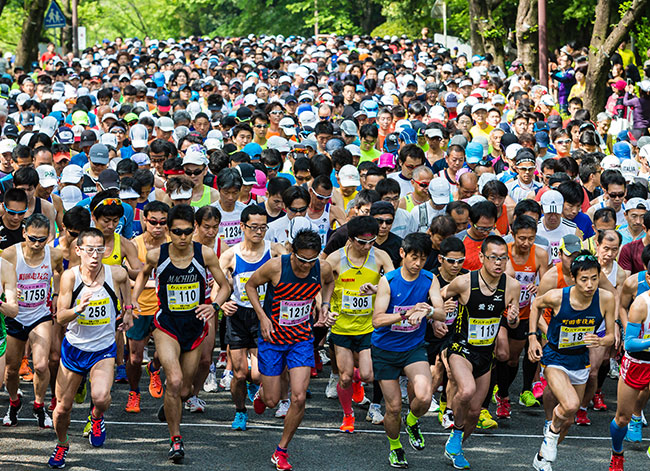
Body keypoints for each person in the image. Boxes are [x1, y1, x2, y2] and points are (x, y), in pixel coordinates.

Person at [131, 204, 230, 463]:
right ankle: (176, 440)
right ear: (168, 231)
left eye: (187, 232)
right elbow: (141, 276)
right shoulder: (157, 255)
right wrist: (133, 302)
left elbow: (225, 285)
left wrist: (214, 306)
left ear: (194, 230)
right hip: (167, 326)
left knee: (184, 390)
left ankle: (170, 404)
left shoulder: (204, 254)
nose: (183, 237)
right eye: (177, 232)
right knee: (173, 381)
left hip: (194, 327)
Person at [245, 228, 335, 471]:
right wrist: (263, 317)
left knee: (299, 396)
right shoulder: (276, 267)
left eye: (311, 260)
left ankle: (281, 450)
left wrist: (324, 305)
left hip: (301, 339)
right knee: (273, 401)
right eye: (302, 259)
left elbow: (330, 281)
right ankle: (262, 393)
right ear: (293, 252)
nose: (307, 266)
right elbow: (251, 286)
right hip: (272, 338)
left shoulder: (321, 267)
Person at [49, 228, 133, 469]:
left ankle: (96, 417)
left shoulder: (116, 273)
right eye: (89, 250)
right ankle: (62, 444)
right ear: (78, 250)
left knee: (101, 398)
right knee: (62, 408)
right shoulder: (70, 277)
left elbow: (127, 290)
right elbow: (61, 317)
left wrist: (128, 311)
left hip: (103, 349)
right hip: (74, 349)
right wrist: (78, 309)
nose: (95, 255)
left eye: (100, 249)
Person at [528, 251, 615, 471]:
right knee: (570, 404)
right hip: (555, 357)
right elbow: (535, 304)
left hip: (580, 360)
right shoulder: (558, 297)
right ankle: (549, 432)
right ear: (574, 278)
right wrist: (532, 338)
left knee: (567, 420)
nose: (590, 284)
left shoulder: (606, 298)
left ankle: (541, 458)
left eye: (594, 278)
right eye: (584, 279)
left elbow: (612, 336)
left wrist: (600, 339)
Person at [443, 235, 521, 469]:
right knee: (466, 391)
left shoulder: (512, 286)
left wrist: (514, 320)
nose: (498, 263)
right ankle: (453, 428)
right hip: (460, 348)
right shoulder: (465, 282)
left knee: (475, 413)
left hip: (486, 354)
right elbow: (439, 294)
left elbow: (513, 321)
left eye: (503, 258)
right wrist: (443, 310)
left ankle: (454, 446)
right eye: (493, 258)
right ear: (482, 257)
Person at [371, 232, 444, 468]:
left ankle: (412, 421)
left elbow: (441, 312)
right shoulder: (388, 280)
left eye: (423, 259)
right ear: (402, 253)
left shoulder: (429, 278)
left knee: (424, 396)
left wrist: (429, 311)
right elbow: (377, 320)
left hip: (413, 347)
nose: (417, 264)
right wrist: (406, 313)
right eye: (414, 257)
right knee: (392, 407)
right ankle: (395, 447)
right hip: (385, 349)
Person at [324, 216, 394, 433]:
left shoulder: (381, 256)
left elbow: (394, 285)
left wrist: (377, 289)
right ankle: (348, 415)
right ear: (350, 239)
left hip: (368, 326)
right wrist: (325, 309)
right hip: (342, 326)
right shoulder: (335, 259)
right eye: (361, 242)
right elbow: (320, 286)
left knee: (368, 375)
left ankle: (358, 382)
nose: (367, 247)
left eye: (371, 241)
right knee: (344, 377)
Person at [219, 205, 286, 430]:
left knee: (257, 375)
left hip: (265, 316)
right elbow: (218, 287)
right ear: (242, 226)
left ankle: (254, 386)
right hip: (238, 314)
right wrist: (222, 304)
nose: (259, 231)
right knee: (238, 373)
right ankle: (240, 412)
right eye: (254, 227)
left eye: (263, 227)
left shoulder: (276, 250)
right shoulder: (230, 255)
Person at [1, 214, 62, 428]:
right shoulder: (10, 254)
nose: (37, 244)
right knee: (11, 369)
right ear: (24, 232)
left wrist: (55, 295)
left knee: (42, 365)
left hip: (40, 315)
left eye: (42, 239)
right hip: (15, 316)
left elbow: (59, 272)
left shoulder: (54, 255)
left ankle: (39, 405)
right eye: (33, 238)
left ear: (48, 238)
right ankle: (14, 402)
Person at [494, 216, 549, 418]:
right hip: (501, 311)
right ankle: (503, 396)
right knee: (502, 353)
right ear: (513, 235)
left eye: (531, 238)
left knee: (512, 359)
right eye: (522, 238)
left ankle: (504, 390)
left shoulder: (540, 255)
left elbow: (547, 282)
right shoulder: (503, 253)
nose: (526, 243)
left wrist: (539, 287)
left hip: (524, 313)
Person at [124, 201, 170, 414]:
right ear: (144, 220)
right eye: (153, 222)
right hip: (141, 305)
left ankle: (154, 368)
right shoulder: (134, 245)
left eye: (162, 222)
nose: (158, 226)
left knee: (164, 353)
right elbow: (127, 276)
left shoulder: (173, 243)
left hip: (166, 307)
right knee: (134, 357)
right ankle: (134, 392)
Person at [609, 269, 650, 470]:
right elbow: (630, 343)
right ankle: (617, 453)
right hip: (637, 362)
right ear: (649, 278)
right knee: (622, 418)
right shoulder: (641, 304)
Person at [427, 237, 468, 429]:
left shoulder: (468, 278)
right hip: (429, 333)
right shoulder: (430, 278)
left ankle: (448, 411)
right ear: (440, 259)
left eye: (460, 261)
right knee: (435, 374)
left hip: (457, 333)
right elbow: (417, 306)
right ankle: (422, 404)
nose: (456, 265)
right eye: (451, 261)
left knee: (450, 370)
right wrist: (438, 311)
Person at [455, 200, 498, 271]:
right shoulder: (459, 240)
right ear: (470, 221)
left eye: (489, 228)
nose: (485, 233)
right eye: (481, 228)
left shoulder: (493, 239)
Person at [211, 168, 247, 247]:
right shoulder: (210, 212)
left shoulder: (245, 211)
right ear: (219, 189)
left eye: (234, 193)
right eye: (226, 192)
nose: (230, 197)